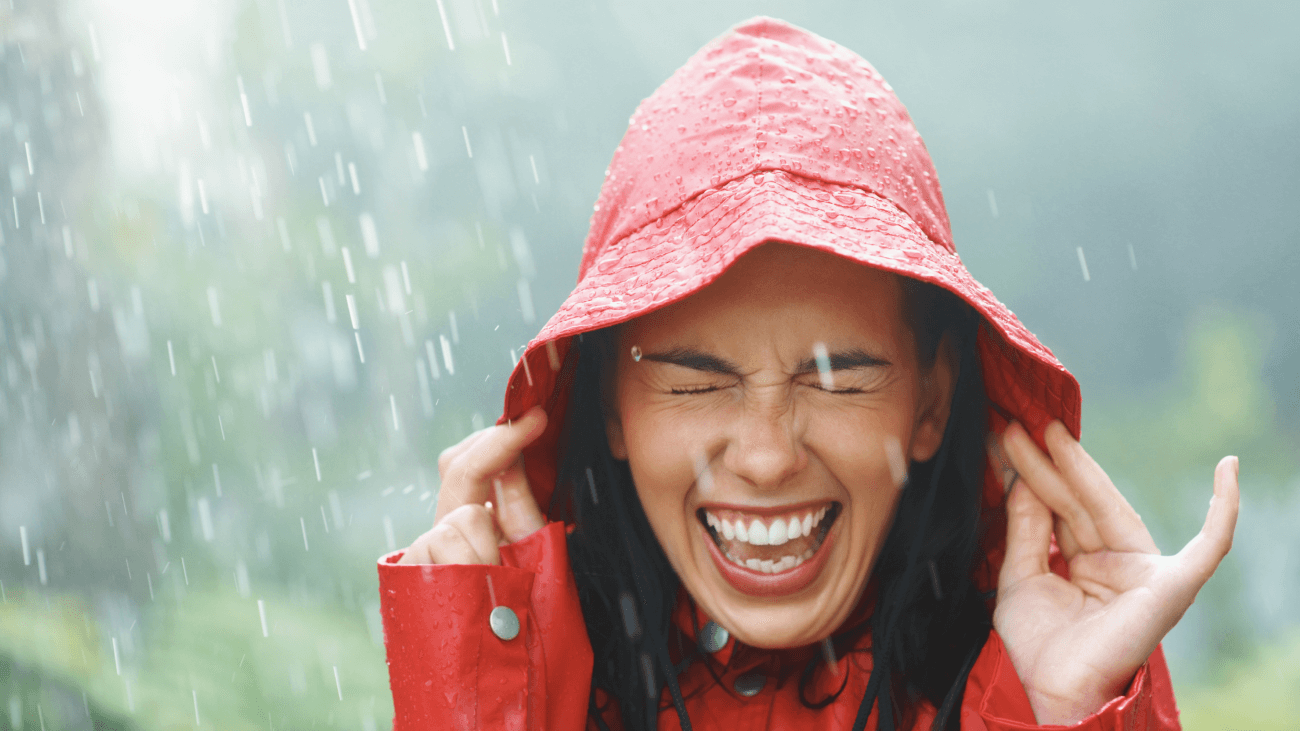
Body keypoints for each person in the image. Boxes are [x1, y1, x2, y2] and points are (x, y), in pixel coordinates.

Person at [377, 17, 1238, 731]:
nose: (764, 455)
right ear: (610, 408)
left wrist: (1063, 709)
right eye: (695, 380)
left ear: (931, 402)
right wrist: (480, 699)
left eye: (837, 379)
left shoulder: (1037, 675)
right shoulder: (527, 678)